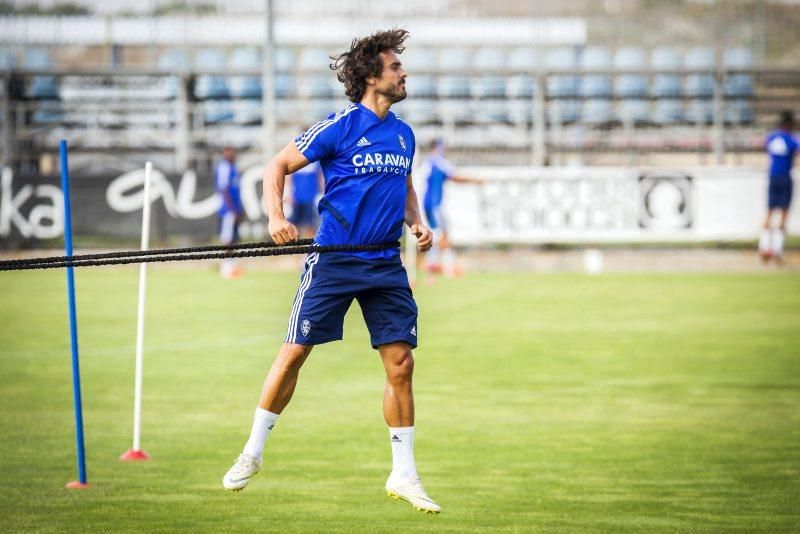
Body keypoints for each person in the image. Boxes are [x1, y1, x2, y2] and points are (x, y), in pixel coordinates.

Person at [222, 29, 440, 514]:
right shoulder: (339, 126)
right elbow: (276, 165)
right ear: (371, 76)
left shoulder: (404, 134)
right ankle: (252, 452)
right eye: (396, 67)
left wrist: (418, 223)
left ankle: (405, 474)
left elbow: (402, 184)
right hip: (335, 259)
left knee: (401, 364)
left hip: (385, 262)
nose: (404, 74)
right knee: (294, 352)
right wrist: (277, 218)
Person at [420, 139, 484, 277]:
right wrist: (475, 180)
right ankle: (449, 268)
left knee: (439, 234)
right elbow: (455, 176)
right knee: (443, 234)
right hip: (434, 204)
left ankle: (432, 265)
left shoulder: (427, 163)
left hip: (428, 204)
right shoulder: (438, 161)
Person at [759, 110, 798, 262]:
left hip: (772, 176)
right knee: (783, 213)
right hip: (785, 178)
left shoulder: (771, 137)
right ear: (789, 123)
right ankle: (776, 250)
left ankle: (763, 248)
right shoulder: (792, 139)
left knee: (769, 212)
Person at [215, 145, 245, 279]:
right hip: (228, 210)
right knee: (227, 238)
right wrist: (231, 209)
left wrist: (239, 208)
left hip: (234, 208)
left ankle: (231, 264)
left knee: (233, 238)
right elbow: (224, 189)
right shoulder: (224, 167)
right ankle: (225, 266)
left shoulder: (233, 168)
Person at [284, 156, 324, 239]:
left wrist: (321, 193)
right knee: (295, 222)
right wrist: (288, 193)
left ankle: (311, 243)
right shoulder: (295, 161)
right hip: (297, 198)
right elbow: (289, 178)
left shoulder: (315, 161)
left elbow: (320, 177)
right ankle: (295, 242)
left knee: (311, 223)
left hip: (312, 198)